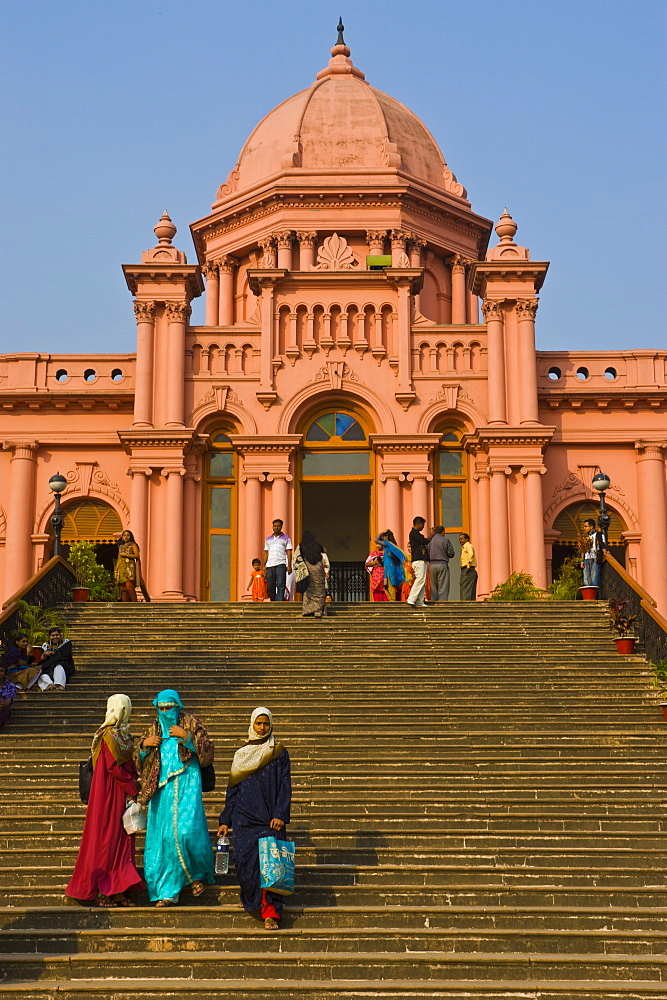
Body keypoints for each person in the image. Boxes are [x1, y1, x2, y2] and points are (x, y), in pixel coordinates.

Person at [135, 689, 215, 907]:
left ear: (177, 706)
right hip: (160, 790)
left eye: (169, 707)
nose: (165, 712)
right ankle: (167, 891)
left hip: (188, 783)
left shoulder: (190, 722)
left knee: (186, 831)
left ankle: (195, 874)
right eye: (160, 708)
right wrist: (143, 747)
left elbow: (208, 752)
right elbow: (137, 761)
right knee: (162, 839)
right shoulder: (153, 728)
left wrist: (187, 737)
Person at [66, 694, 145, 907]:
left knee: (121, 839)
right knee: (106, 840)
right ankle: (102, 889)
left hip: (119, 792)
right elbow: (113, 767)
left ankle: (117, 889)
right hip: (109, 794)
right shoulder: (109, 735)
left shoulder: (121, 734)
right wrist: (132, 785)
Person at [217, 707, 291, 931]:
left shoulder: (278, 751)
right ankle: (251, 899)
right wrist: (225, 820)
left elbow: (285, 786)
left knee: (270, 866)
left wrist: (280, 814)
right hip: (243, 819)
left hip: (269, 819)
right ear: (252, 724)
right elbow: (233, 791)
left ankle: (270, 913)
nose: (262, 728)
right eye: (258, 724)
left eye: (265, 724)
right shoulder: (242, 754)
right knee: (244, 863)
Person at [295, 530, 328, 618]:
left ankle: (308, 610)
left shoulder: (301, 546)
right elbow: (325, 550)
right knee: (319, 590)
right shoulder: (317, 545)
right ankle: (319, 611)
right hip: (318, 568)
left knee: (309, 590)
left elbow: (297, 557)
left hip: (308, 569)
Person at [261, 520, 293, 602]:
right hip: (270, 565)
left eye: (278, 526)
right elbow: (266, 552)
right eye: (275, 526)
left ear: (281, 527)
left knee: (280, 585)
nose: (276, 528)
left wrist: (289, 565)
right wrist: (263, 566)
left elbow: (289, 551)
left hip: (281, 564)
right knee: (271, 586)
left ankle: (279, 603)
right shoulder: (268, 539)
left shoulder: (286, 538)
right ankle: (273, 601)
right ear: (272, 527)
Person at [38, 627, 75, 692]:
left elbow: (65, 656)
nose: (55, 637)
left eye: (57, 635)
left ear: (60, 635)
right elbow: (43, 660)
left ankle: (59, 685)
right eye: (52, 635)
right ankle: (50, 684)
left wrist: (53, 653)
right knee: (40, 673)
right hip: (49, 667)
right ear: (49, 636)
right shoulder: (45, 645)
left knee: (58, 667)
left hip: (64, 666)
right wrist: (44, 657)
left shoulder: (66, 643)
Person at [374, 530, 407, 601]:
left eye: (383, 537)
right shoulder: (393, 545)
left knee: (390, 586)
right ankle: (393, 601)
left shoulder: (387, 544)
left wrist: (381, 533)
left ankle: (393, 602)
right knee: (389, 586)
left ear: (386, 537)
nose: (382, 538)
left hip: (389, 568)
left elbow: (376, 540)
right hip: (392, 567)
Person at [407, 517, 432, 607]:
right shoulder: (414, 533)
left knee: (422, 581)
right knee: (420, 579)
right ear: (418, 524)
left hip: (422, 559)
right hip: (418, 560)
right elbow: (424, 541)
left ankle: (420, 601)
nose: (423, 527)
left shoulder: (417, 534)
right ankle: (411, 598)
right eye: (422, 525)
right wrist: (431, 535)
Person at [428, 526, 455, 603]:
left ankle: (434, 603)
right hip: (442, 564)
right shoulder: (445, 540)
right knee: (443, 586)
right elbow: (451, 553)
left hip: (432, 565)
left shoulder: (429, 540)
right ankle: (442, 604)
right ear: (443, 532)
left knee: (433, 586)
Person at [115, 530, 141, 602]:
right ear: (122, 538)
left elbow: (137, 555)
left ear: (130, 537)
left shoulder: (133, 545)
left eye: (128, 535)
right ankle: (125, 605)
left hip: (130, 568)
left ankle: (135, 603)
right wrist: (116, 570)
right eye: (124, 535)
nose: (126, 537)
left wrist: (126, 555)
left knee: (130, 586)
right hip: (122, 568)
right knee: (123, 589)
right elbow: (119, 559)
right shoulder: (121, 547)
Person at [581, 518, 607, 589]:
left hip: (595, 558)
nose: (584, 528)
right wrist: (582, 561)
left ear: (591, 526)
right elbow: (583, 550)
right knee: (586, 579)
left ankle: (596, 596)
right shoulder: (585, 537)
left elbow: (602, 544)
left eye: (586, 526)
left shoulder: (598, 534)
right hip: (586, 559)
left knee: (594, 578)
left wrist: (605, 551)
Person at [459, 532, 478, 601]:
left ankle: (465, 606)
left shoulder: (468, 546)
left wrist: (468, 565)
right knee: (467, 589)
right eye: (459, 539)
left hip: (468, 570)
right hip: (467, 569)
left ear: (466, 539)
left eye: (462, 539)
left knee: (466, 589)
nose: (460, 540)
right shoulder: (464, 547)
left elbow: (471, 554)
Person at [0, 664, 19, 728]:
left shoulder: (10, 686)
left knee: (4, 710)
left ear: (5, 674)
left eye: (1, 671)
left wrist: (4, 704)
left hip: (3, 710)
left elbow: (9, 699)